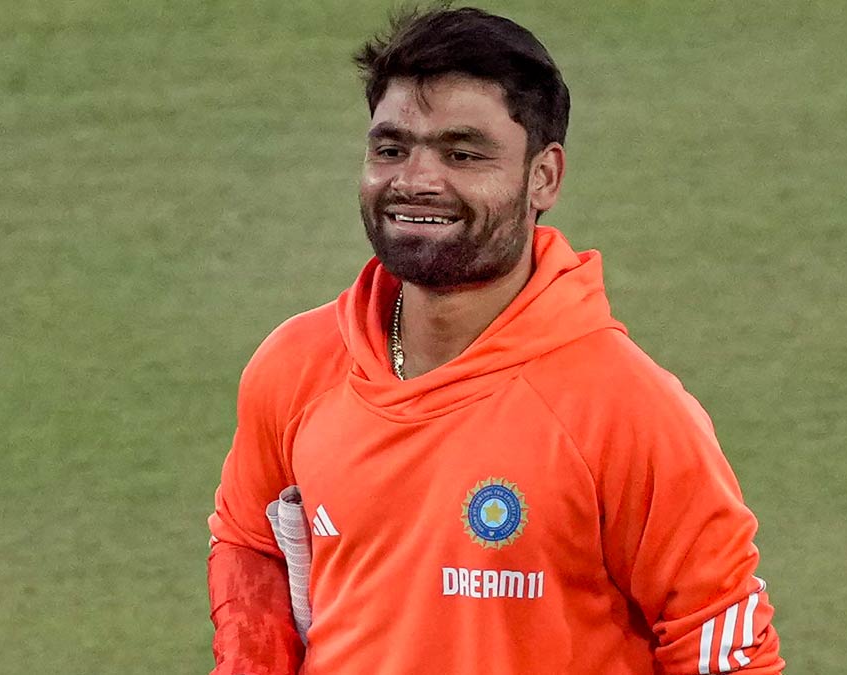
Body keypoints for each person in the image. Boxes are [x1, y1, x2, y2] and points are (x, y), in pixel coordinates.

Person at [206, 6, 784, 675]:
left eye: (463, 154)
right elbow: (252, 546)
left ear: (544, 177)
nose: (416, 180)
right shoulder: (298, 365)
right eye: (391, 149)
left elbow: (724, 650)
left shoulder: (626, 410)